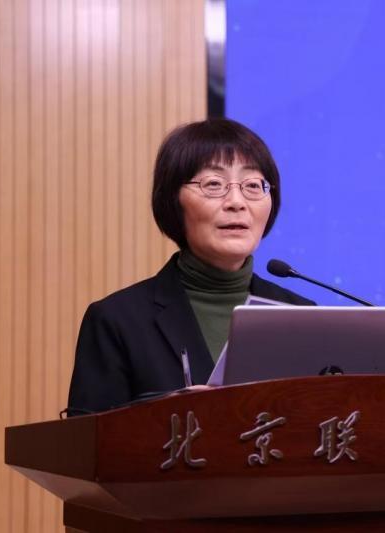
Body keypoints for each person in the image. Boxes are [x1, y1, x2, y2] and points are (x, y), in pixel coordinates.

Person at [66, 119, 314, 416]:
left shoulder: (303, 317)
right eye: (213, 185)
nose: (236, 202)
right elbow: (86, 440)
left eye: (252, 186)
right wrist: (166, 414)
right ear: (173, 201)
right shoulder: (117, 321)